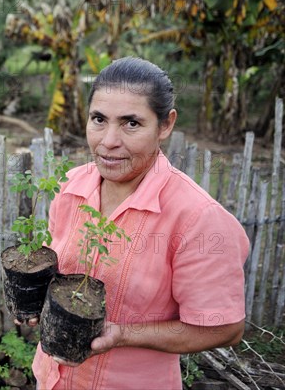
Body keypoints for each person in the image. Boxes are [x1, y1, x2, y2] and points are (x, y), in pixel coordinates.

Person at [20, 57, 249, 389]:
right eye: (99, 119)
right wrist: (34, 299)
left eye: (131, 123)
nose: (109, 140)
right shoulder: (70, 187)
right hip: (51, 378)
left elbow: (225, 328)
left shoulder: (198, 219)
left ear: (165, 125)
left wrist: (123, 334)